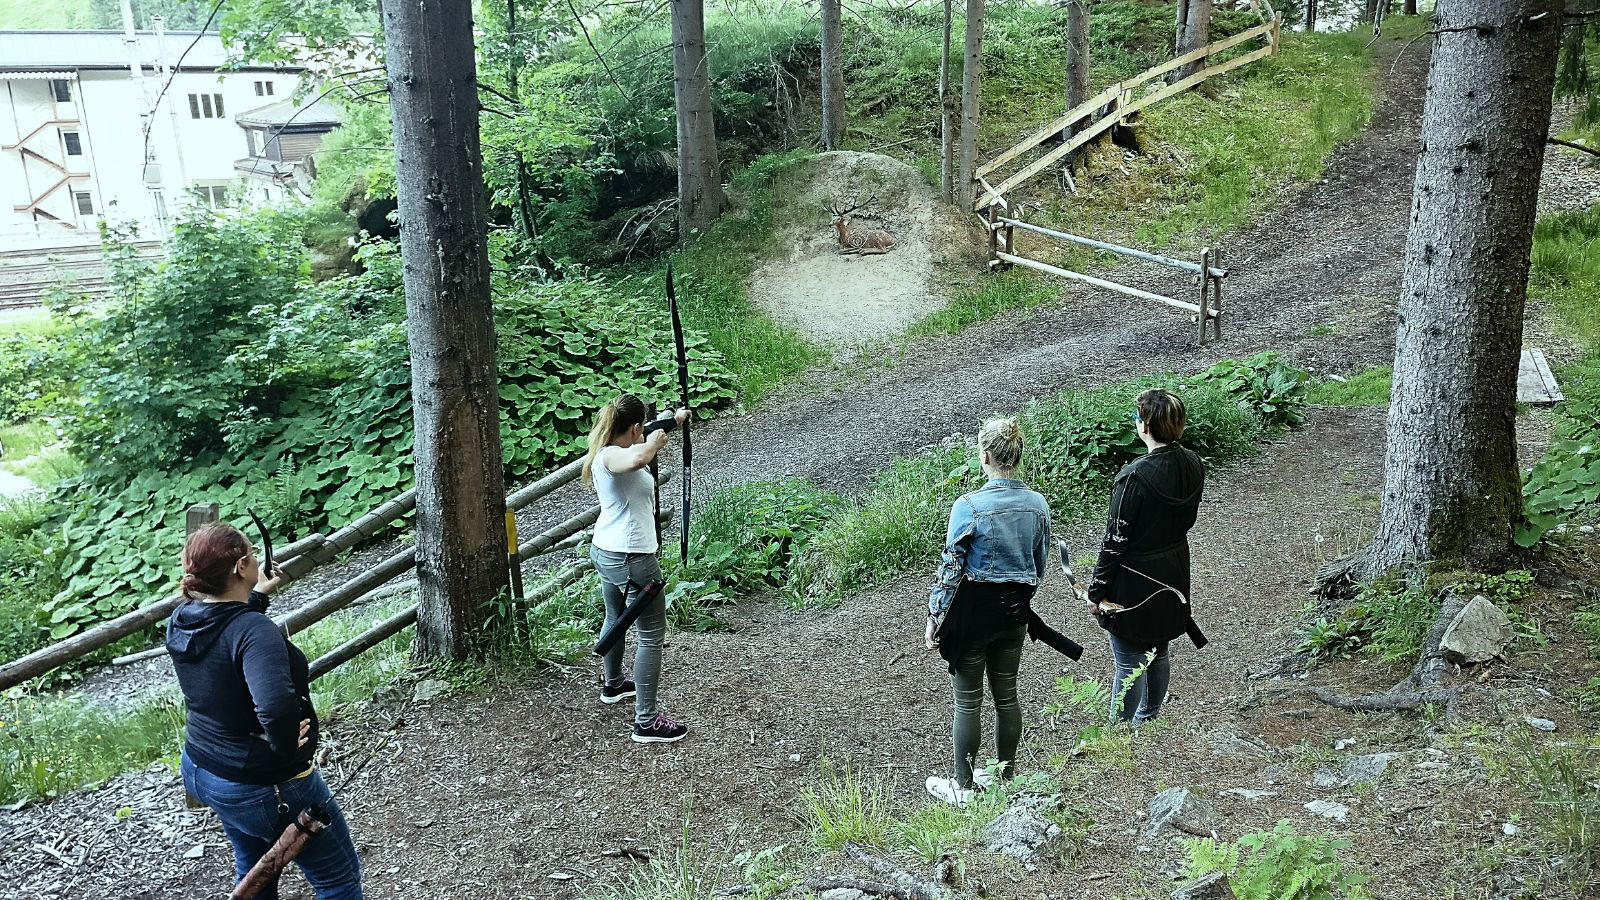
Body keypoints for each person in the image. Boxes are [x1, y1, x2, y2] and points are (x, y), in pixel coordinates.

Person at [168, 522, 362, 899]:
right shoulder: (254, 632)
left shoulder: (183, 618)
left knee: (256, 867)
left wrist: (253, 596)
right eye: (253, 554)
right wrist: (288, 744)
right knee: (337, 880)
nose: (258, 558)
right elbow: (273, 706)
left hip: (205, 769)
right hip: (264, 784)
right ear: (241, 567)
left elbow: (223, 632)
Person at [924, 417, 1052, 806]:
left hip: (973, 615)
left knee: (967, 701)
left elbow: (951, 568)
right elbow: (1039, 563)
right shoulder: (1037, 504)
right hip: (1014, 613)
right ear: (1017, 455)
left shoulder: (968, 506)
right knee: (1007, 695)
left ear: (984, 456)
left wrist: (935, 615)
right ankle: (1005, 776)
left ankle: (963, 786)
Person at [1086, 388, 1206, 725]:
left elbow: (1115, 541)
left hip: (1135, 577)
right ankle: (1149, 716)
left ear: (1145, 426)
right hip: (1174, 566)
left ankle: (1119, 732)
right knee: (1159, 646)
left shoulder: (1134, 477)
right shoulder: (1193, 463)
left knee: (1129, 659)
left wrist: (1096, 592)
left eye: (1138, 417)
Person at [582, 394, 690, 744]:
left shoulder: (610, 446)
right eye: (641, 428)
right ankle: (646, 721)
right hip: (631, 558)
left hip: (608, 551)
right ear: (634, 428)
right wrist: (655, 442)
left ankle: (613, 684)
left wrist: (672, 422)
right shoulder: (613, 455)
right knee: (651, 636)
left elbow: (640, 444)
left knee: (615, 617)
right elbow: (638, 455)